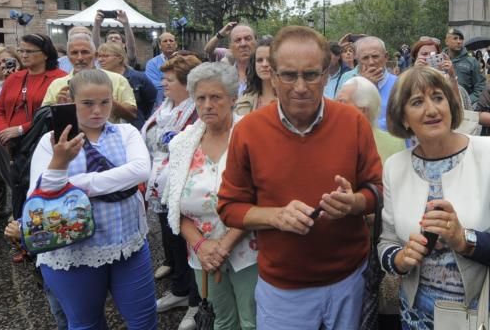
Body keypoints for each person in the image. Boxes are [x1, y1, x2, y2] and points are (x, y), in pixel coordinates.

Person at [217, 25, 383, 329]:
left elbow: (377, 191)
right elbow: (229, 207)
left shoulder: (353, 123)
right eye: (289, 75)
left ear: (326, 75)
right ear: (273, 76)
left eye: (311, 74)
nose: (301, 86)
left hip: (349, 280)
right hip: (283, 289)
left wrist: (355, 202)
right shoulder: (248, 131)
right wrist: (276, 216)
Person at [378, 66, 490, 329]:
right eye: (417, 102)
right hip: (416, 314)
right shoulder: (395, 166)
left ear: (451, 104)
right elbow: (386, 243)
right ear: (403, 118)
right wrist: (400, 259)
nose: (432, 110)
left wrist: (465, 240)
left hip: (484, 313)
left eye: (438, 97)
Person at [28, 69, 156, 329]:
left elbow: (141, 171)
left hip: (128, 244)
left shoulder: (126, 133)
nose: (97, 110)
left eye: (105, 102)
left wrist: (74, 186)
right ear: (70, 100)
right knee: (86, 324)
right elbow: (39, 196)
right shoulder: (50, 142)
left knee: (144, 320)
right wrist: (59, 161)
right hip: (73, 250)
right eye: (87, 103)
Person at [164, 62, 258, 330]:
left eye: (215, 97)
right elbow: (173, 205)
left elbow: (261, 199)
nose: (207, 105)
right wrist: (200, 246)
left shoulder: (252, 136)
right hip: (202, 254)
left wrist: (224, 245)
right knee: (221, 321)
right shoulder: (182, 143)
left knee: (253, 322)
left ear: (233, 98)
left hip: (249, 251)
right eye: (200, 98)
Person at [141, 53, 201, 325]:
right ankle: (179, 289)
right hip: (160, 189)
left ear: (187, 84)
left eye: (169, 80)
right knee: (171, 243)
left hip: (184, 189)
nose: (163, 84)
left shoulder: (197, 111)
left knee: (189, 247)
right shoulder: (164, 108)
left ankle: (196, 301)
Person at [0, 35, 68, 152]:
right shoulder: (14, 78)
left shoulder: (60, 79)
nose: (24, 55)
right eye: (21, 51)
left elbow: (55, 114)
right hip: (10, 144)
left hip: (42, 142)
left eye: (29, 51)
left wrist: (21, 129)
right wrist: (4, 131)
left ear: (46, 54)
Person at [42, 34, 137, 124]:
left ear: (95, 55)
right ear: (68, 57)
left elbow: (132, 115)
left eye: (85, 52)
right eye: (74, 53)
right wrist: (61, 108)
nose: (80, 58)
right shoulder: (57, 84)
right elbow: (44, 118)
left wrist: (106, 100)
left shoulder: (117, 79)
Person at [337, 76, 403, 163]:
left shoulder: (394, 144)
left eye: (342, 102)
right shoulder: (332, 141)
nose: (336, 106)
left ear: (362, 110)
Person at [98, 42, 156, 129]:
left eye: (105, 56)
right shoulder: (98, 78)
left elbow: (152, 99)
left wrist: (142, 117)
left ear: (120, 58)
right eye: (99, 56)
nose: (100, 60)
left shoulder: (138, 78)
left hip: (135, 126)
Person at [409, 38, 472, 111]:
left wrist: (452, 76)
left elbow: (458, 108)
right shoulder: (406, 80)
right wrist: (415, 72)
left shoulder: (447, 81)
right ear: (416, 57)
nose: (429, 58)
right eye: (424, 54)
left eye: (433, 55)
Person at [356, 36, 398, 131]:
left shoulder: (400, 85)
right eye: (365, 58)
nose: (371, 62)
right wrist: (365, 86)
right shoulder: (352, 88)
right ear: (358, 61)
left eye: (375, 56)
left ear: (386, 57)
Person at [204, 22, 256, 96]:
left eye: (248, 39)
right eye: (238, 40)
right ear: (230, 46)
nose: (243, 44)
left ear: (256, 41)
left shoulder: (265, 73)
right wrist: (220, 34)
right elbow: (208, 50)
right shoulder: (223, 78)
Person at [235, 36, 276, 116]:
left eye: (270, 60)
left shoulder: (291, 99)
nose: (264, 64)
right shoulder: (244, 101)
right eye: (259, 60)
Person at [444, 28, 485, 105]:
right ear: (446, 41)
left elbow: (480, 87)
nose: (459, 41)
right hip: (442, 106)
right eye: (455, 38)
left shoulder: (472, 62)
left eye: (461, 39)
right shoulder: (439, 60)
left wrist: (467, 102)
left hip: (464, 107)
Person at [146, 32, 179, 102]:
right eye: (165, 41)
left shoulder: (184, 60)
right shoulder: (152, 64)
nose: (168, 43)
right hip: (161, 101)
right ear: (160, 46)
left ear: (176, 45)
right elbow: (154, 86)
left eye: (171, 41)